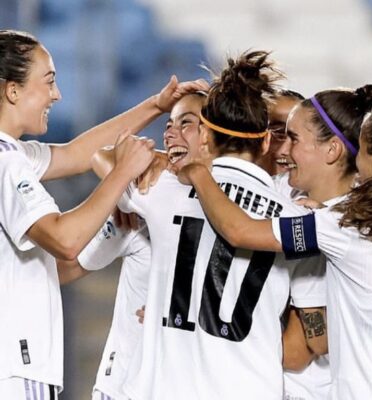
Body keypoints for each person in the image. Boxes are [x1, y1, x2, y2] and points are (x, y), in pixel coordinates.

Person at [104, 50, 327, 400]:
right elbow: (315, 340)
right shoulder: (299, 222)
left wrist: (160, 163)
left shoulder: (165, 191)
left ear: (206, 138)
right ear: (266, 141)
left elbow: (103, 155)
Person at [0, 29, 204, 399]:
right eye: (48, 81)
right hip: (15, 364)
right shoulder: (7, 163)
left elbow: (77, 153)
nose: (57, 94)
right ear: (13, 91)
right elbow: (64, 240)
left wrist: (156, 105)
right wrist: (122, 173)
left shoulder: (14, 155)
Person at [177, 98, 372, 399]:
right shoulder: (340, 221)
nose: (355, 160)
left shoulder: (340, 227)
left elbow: (239, 231)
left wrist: (199, 175)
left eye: (360, 150)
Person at [57, 91, 209, 400]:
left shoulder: (235, 214)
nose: (170, 133)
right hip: (124, 386)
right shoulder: (144, 201)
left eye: (186, 123)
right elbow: (68, 266)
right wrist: (125, 189)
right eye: (168, 124)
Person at [263, 89, 332, 400]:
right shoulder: (260, 196)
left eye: (292, 136)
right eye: (275, 132)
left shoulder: (312, 217)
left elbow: (299, 351)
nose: (283, 147)